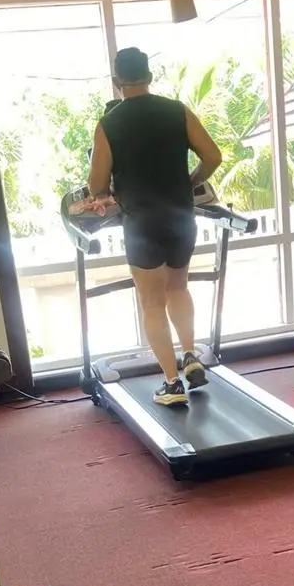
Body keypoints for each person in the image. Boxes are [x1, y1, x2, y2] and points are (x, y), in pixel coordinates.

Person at [84, 47, 223, 407]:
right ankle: (190, 354)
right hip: (181, 216)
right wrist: (191, 181)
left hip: (142, 223)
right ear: (149, 76)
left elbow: (97, 183)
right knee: (178, 288)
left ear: (117, 81)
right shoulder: (177, 111)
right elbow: (213, 156)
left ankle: (172, 383)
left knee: (151, 303)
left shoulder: (109, 123)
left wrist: (103, 192)